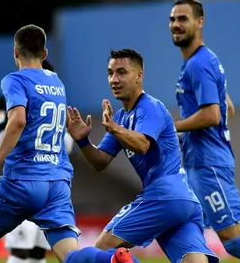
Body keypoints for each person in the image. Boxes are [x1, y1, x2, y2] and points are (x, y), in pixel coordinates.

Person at [0, 24, 137, 263]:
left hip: (24, 180)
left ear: (15, 52)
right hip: (57, 182)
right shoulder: (57, 83)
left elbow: (17, 121)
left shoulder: (14, 80)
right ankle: (112, 260)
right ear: (45, 53)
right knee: (71, 256)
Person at [67, 48, 218, 263]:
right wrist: (82, 141)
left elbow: (143, 144)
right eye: (110, 73)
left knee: (100, 251)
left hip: (163, 194)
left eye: (121, 72)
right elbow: (100, 161)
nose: (114, 79)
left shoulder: (150, 107)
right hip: (183, 201)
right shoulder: (120, 117)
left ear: (139, 76)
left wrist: (114, 129)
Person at [170, 0, 240, 263]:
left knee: (235, 240)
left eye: (183, 19)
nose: (176, 25)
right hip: (198, 163)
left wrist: (172, 128)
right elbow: (227, 107)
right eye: (172, 20)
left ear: (199, 22)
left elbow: (213, 114)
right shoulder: (202, 61)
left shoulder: (199, 64)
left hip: (209, 167)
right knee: (187, 235)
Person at [0, 59, 74, 263]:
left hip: (46, 181)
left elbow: (67, 143)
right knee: (20, 249)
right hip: (25, 177)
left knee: (39, 250)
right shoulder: (9, 98)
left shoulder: (58, 101)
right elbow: (1, 135)